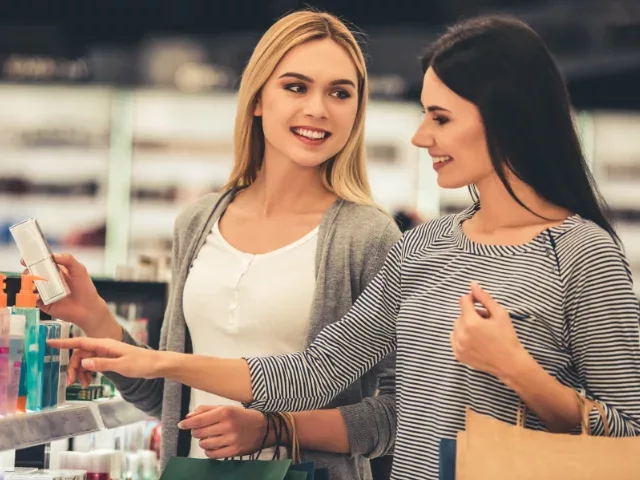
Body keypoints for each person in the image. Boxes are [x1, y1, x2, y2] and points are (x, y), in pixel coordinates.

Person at [51, 14, 640, 480]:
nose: (419, 136)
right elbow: (315, 373)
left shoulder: (582, 254)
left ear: (504, 118)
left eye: (438, 117)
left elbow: (631, 435)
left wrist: (516, 369)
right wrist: (157, 360)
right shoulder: (426, 247)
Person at [43, 10, 400, 479]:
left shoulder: (368, 236)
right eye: (296, 86)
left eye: (339, 92)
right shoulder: (199, 221)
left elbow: (395, 415)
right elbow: (170, 398)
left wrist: (276, 428)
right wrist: (97, 319)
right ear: (256, 100)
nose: (318, 108)